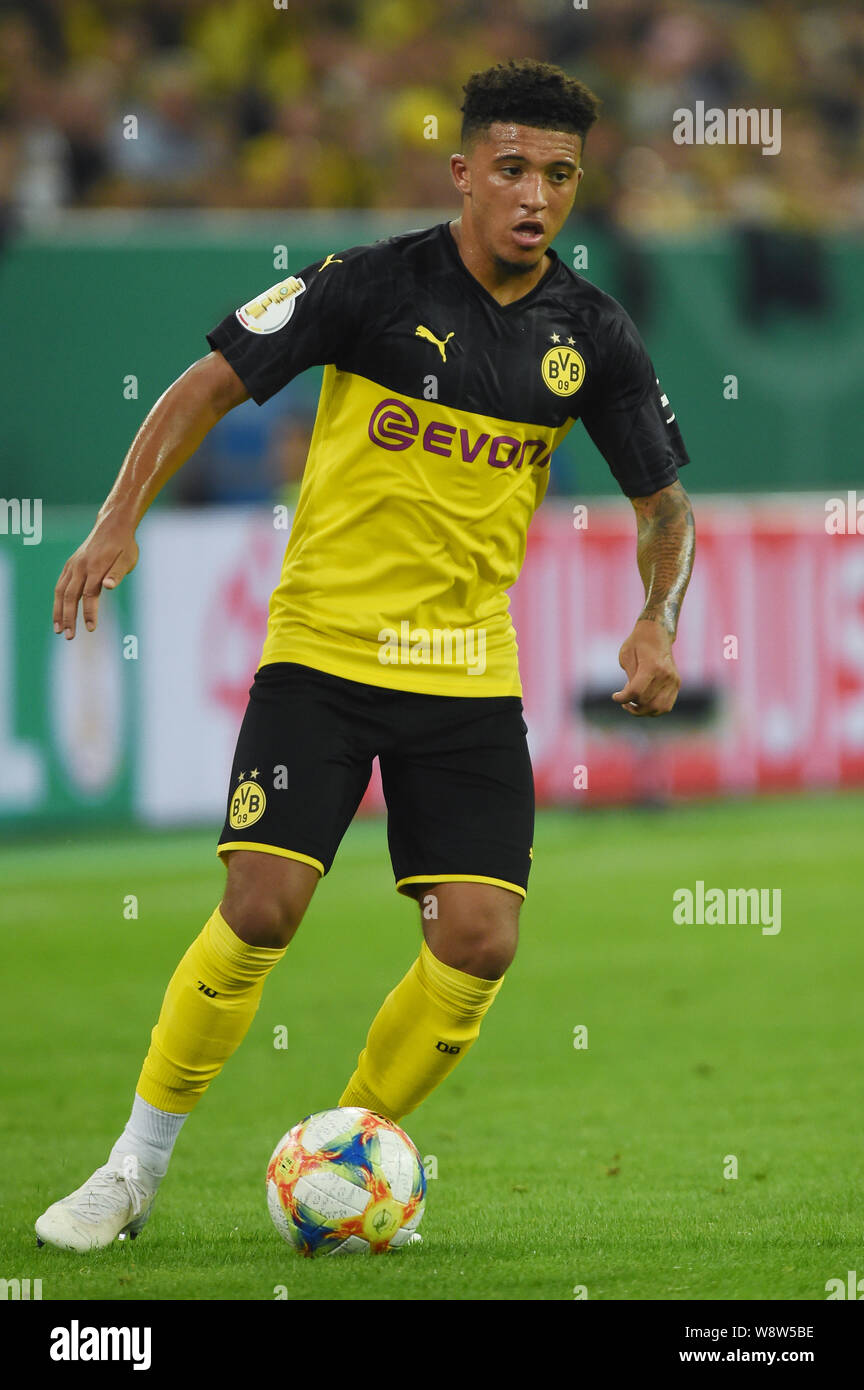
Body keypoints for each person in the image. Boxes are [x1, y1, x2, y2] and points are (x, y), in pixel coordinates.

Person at [38, 58, 694, 1252]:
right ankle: (131, 1168)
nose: (535, 195)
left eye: (558, 175)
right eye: (511, 169)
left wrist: (660, 615)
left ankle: (343, 1148)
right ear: (462, 174)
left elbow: (665, 508)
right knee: (265, 902)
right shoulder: (367, 286)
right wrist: (119, 517)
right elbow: (204, 385)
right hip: (326, 657)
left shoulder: (590, 334)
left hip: (465, 676)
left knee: (480, 939)